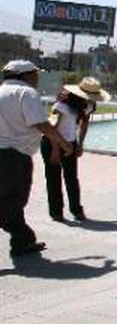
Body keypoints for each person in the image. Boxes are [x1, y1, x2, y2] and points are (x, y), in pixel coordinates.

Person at [1, 60, 73, 256]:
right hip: (14, 156)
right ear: (25, 75)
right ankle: (22, 240)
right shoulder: (26, 93)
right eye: (35, 74)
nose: (37, 77)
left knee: (9, 199)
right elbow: (42, 125)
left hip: (5, 153)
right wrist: (63, 144)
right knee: (14, 199)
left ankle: (23, 241)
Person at [41, 77, 109, 222]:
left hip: (70, 144)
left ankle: (76, 210)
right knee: (53, 179)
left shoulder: (87, 105)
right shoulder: (61, 104)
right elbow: (51, 127)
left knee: (71, 178)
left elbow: (84, 124)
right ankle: (56, 212)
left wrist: (80, 144)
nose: (90, 100)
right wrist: (55, 150)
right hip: (52, 142)